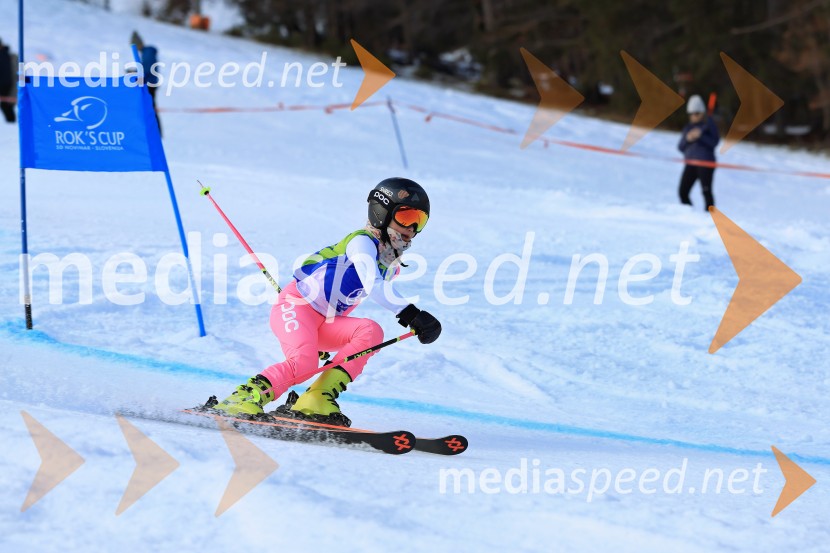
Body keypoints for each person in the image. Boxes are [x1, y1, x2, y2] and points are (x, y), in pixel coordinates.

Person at [212, 178, 442, 426]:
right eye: (406, 217)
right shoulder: (361, 242)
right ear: (382, 213)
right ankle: (242, 399)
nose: (412, 228)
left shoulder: (390, 265)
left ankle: (316, 398)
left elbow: (353, 295)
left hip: (324, 322)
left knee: (370, 331)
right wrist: (411, 314)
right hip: (295, 306)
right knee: (304, 363)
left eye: (420, 221)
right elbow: (371, 283)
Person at [677, 94, 719, 210]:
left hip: (706, 163)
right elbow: (680, 147)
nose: (693, 116)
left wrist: (701, 136)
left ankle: (710, 216)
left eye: (696, 113)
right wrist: (688, 139)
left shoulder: (709, 125)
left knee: (706, 192)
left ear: (702, 113)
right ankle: (690, 214)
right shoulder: (688, 128)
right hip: (690, 163)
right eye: (691, 113)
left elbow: (714, 142)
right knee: (683, 192)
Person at [0, 38, 17, 123]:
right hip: (8, 88)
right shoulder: (9, 56)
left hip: (8, 88)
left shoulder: (10, 57)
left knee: (6, 106)